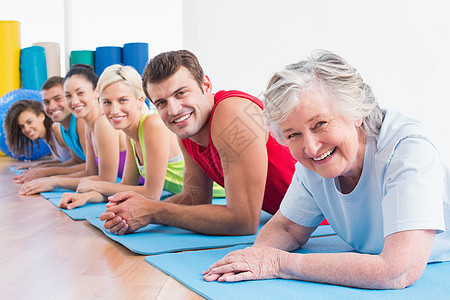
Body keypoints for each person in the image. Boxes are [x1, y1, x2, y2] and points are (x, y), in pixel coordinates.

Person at [203, 50, 450, 289]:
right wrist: (254, 259)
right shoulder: (313, 164)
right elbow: (287, 228)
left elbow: (397, 271)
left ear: (356, 113)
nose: (310, 147)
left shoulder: (410, 151)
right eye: (293, 134)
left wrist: (279, 263)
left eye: (320, 123)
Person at [99, 50, 298, 236]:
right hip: (294, 221)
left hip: (322, 224)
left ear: (206, 85)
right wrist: (134, 209)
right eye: (161, 103)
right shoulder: (188, 131)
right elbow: (195, 198)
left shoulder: (233, 114)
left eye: (181, 93)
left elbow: (244, 220)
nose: (174, 110)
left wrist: (153, 210)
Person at [58, 64, 185, 209]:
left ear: (140, 100)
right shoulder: (131, 135)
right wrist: (85, 197)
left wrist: (97, 185)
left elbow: (151, 194)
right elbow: (127, 185)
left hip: (214, 195)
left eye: (122, 100)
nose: (114, 110)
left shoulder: (153, 124)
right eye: (107, 102)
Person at [19, 64, 128, 195]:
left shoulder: (103, 123)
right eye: (68, 96)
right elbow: (90, 172)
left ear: (96, 91)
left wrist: (54, 181)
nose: (74, 101)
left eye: (80, 93)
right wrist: (50, 179)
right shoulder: (90, 125)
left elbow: (106, 180)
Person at [12, 76, 86, 183]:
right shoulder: (64, 127)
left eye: (58, 99)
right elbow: (78, 161)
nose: (52, 107)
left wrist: (49, 175)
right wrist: (41, 167)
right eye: (46, 102)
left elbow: (93, 168)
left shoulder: (79, 122)